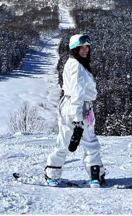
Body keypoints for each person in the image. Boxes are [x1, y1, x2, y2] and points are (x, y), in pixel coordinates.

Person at [45, 34, 104, 187]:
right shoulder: (78, 67)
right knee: (89, 141)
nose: (85, 50)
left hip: (68, 105)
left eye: (87, 47)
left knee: (64, 140)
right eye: (81, 47)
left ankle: (53, 172)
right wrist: (77, 117)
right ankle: (95, 175)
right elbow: (78, 91)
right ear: (74, 48)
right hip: (79, 106)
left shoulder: (72, 63)